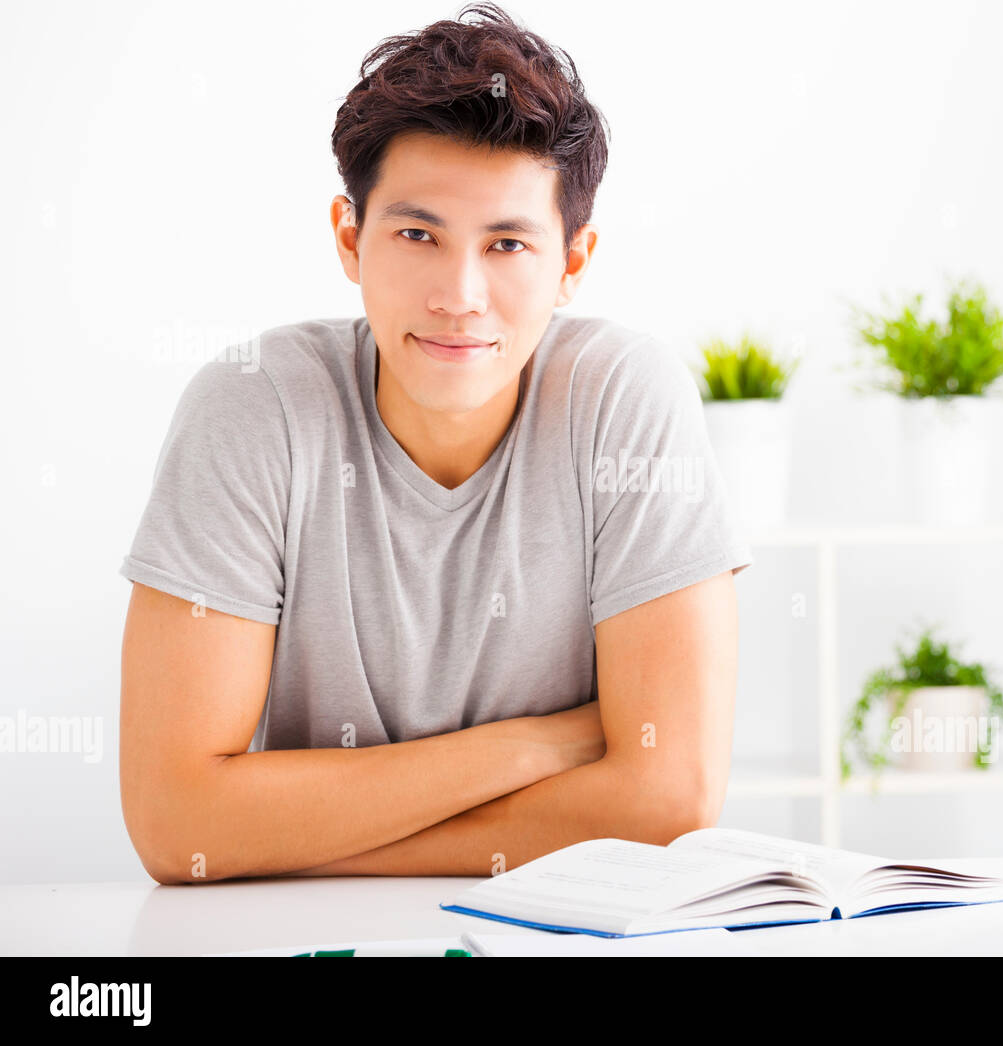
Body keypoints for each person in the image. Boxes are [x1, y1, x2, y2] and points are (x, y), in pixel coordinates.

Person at [118, 2, 752, 883]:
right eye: (418, 234)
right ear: (351, 237)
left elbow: (670, 797)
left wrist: (290, 835)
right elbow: (174, 822)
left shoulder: (624, 400)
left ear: (572, 262)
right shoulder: (254, 408)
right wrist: (537, 747)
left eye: (507, 244)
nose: (460, 295)